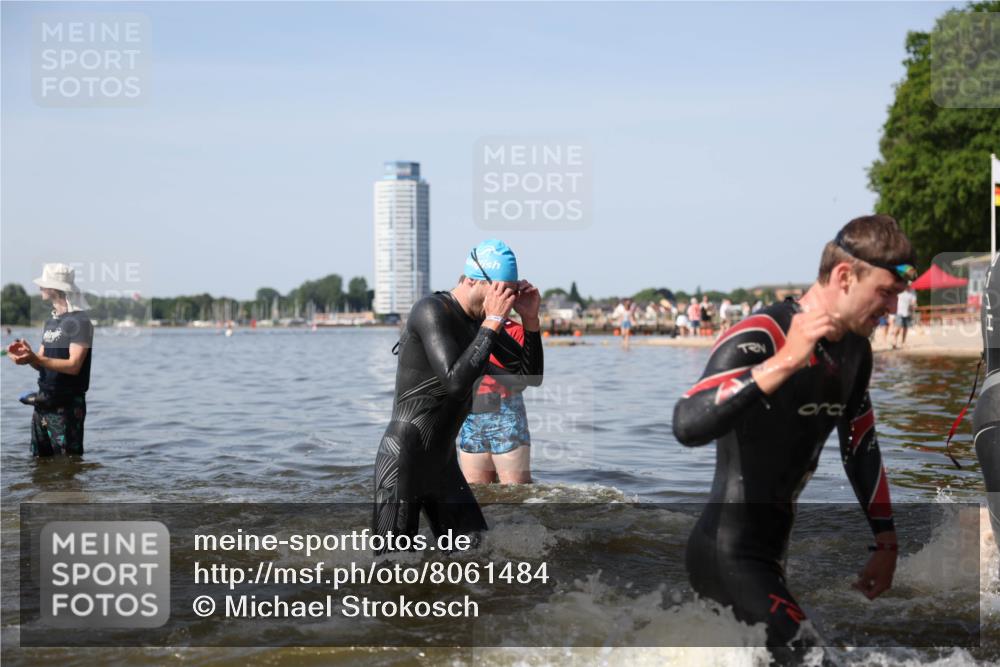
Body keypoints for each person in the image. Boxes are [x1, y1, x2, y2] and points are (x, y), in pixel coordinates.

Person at [672, 215, 915, 662]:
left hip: (771, 556)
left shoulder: (855, 350)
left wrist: (886, 542)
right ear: (845, 276)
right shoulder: (765, 333)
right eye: (885, 292)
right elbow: (687, 422)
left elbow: (861, 447)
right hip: (726, 554)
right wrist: (784, 362)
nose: (892, 307)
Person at [372, 239, 543, 552]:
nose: (506, 302)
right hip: (403, 459)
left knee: (477, 554)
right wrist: (492, 322)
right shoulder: (431, 311)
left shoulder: (479, 323)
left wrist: (530, 321)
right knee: (390, 568)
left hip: (443, 466)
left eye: (512, 293)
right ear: (473, 280)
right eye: (502, 291)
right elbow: (455, 383)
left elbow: (529, 378)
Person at [7, 263, 94, 457]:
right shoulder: (51, 321)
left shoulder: (80, 322)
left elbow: (74, 366)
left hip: (67, 407)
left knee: (68, 466)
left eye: (44, 284)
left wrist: (35, 357)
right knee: (39, 464)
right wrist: (26, 356)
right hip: (43, 402)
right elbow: (41, 363)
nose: (40, 287)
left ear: (55, 288)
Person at [458, 318, 532, 485]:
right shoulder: (464, 327)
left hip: (506, 412)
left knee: (516, 489)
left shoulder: (515, 330)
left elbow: (523, 380)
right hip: (471, 415)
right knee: (476, 490)